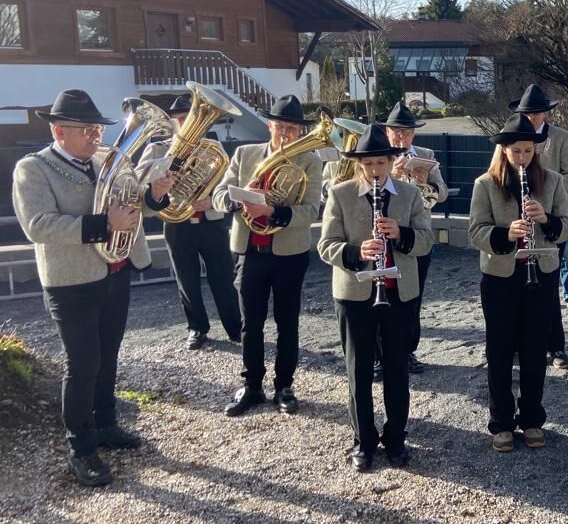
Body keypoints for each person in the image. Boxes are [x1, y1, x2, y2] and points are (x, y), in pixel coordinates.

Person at [12, 89, 173, 487]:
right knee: (82, 364)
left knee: (108, 354)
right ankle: (80, 447)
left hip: (115, 271)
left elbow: (138, 205)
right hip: (71, 281)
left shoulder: (108, 160)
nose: (95, 136)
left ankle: (106, 425)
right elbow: (38, 225)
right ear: (58, 130)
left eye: (97, 128)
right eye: (85, 129)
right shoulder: (33, 168)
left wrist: (155, 193)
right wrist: (103, 225)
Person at [318, 124, 433, 472]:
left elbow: (427, 241)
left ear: (390, 161)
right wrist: (356, 251)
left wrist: (401, 234)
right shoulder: (340, 194)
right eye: (367, 164)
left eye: (381, 163)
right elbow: (325, 246)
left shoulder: (410, 195)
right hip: (355, 293)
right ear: (359, 165)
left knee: (397, 368)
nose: (375, 171)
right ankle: (363, 440)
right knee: (359, 370)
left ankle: (396, 437)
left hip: (399, 292)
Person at [469, 114, 568, 452]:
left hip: (540, 274)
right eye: (516, 152)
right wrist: (506, 233)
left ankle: (531, 419)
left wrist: (547, 220)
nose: (523, 158)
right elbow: (476, 232)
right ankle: (500, 422)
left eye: (529, 151)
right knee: (499, 350)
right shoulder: (485, 184)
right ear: (504, 151)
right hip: (500, 276)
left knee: (534, 350)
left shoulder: (553, 181)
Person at [213, 95, 321, 417]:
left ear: (301, 131)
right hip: (249, 251)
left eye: (292, 128)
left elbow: (311, 210)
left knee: (287, 322)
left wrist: (272, 210)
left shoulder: (310, 162)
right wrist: (238, 199)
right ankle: (252, 385)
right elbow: (219, 195)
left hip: (289, 253)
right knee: (251, 323)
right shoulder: (245, 155)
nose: (285, 133)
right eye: (280, 126)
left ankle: (284, 385)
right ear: (269, 125)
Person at [139, 95, 242, 350]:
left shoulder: (213, 148)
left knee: (224, 276)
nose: (186, 124)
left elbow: (227, 185)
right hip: (176, 224)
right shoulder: (157, 149)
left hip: (211, 222)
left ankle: (235, 326)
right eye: (181, 120)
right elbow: (140, 184)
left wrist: (212, 201)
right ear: (173, 122)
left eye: (190, 119)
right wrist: (158, 187)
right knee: (187, 279)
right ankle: (197, 328)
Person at [509, 84, 568, 369]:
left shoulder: (561, 138)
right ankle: (519, 344)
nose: (531, 117)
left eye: (536, 112)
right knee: (517, 284)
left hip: (550, 218)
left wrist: (547, 200)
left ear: (545, 113)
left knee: (549, 284)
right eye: (527, 113)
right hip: (518, 220)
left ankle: (556, 346)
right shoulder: (512, 138)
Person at [382, 101, 448, 375]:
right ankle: (380, 356)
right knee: (381, 294)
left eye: (406, 133)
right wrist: (391, 174)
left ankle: (408, 351)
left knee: (413, 297)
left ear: (413, 135)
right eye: (397, 132)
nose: (401, 137)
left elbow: (441, 193)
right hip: (385, 232)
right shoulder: (380, 154)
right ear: (387, 131)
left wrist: (426, 181)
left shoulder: (425, 154)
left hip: (417, 235)